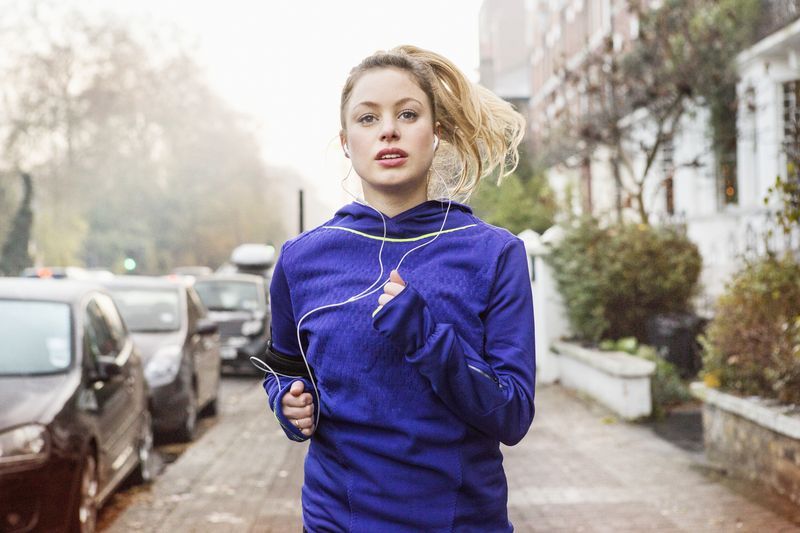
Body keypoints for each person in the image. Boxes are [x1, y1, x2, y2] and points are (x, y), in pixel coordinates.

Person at [261, 45, 536, 532]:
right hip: (337, 522)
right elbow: (284, 368)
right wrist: (287, 401)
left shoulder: (494, 254)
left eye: (408, 114)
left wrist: (426, 338)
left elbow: (512, 415)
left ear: (437, 133)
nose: (388, 129)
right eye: (368, 119)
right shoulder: (301, 259)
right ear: (347, 142)